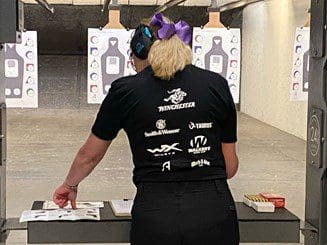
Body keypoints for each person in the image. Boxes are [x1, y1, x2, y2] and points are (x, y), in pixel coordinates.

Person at [53, 13, 240, 245]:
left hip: (155, 213)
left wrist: (69, 185)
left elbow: (89, 156)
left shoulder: (125, 91)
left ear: (141, 53)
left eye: (132, 58)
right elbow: (229, 167)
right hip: (214, 211)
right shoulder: (216, 85)